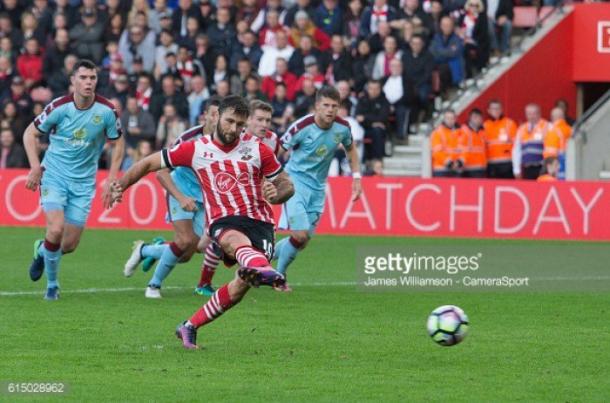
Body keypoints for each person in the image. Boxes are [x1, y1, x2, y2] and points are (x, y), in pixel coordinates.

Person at [110, 95, 294, 349]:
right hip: (223, 220)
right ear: (217, 116)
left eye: (240, 125)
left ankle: (189, 326)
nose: (234, 129)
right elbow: (149, 162)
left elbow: (286, 184)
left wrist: (279, 193)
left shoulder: (257, 148)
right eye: (230, 121)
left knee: (240, 287)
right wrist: (120, 185)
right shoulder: (196, 148)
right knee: (231, 240)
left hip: (260, 222)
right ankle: (263, 271)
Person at [23, 59, 125, 300]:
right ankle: (52, 286)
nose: (88, 82)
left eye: (92, 78)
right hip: (54, 176)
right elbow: (30, 132)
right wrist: (35, 167)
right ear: (73, 81)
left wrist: (111, 178)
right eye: (83, 78)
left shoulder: (106, 111)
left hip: (83, 183)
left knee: (67, 245)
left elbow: (118, 142)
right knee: (56, 229)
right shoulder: (59, 107)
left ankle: (41, 250)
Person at [123, 96, 222, 299]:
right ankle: (153, 286)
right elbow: (161, 172)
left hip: (204, 199)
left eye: (222, 115)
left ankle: (146, 250)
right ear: (205, 116)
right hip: (180, 189)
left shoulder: (227, 142)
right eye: (214, 114)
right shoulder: (188, 138)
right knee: (184, 240)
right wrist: (182, 197)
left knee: (186, 253)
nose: (218, 119)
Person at [274, 86, 362, 291]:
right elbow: (277, 150)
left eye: (334, 106)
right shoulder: (301, 127)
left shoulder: (342, 128)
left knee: (301, 242)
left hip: (318, 188)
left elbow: (351, 149)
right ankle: (279, 277)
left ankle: (260, 257)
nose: (330, 110)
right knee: (300, 235)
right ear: (316, 106)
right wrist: (273, 177)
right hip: (294, 183)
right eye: (326, 106)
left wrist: (356, 178)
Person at [195, 100, 281, 295]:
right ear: (248, 120)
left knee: (234, 244)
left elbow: (272, 170)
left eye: (268, 120)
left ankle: (247, 276)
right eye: (259, 119)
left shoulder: (272, 141)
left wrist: (271, 187)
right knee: (201, 245)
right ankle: (156, 251)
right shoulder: (233, 139)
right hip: (225, 203)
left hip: (254, 203)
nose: (264, 125)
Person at [512, 103, 551, 180]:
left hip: (542, 167)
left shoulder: (548, 126)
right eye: (529, 114)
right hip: (527, 168)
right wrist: (516, 169)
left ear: (539, 113)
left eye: (534, 113)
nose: (531, 116)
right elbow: (516, 150)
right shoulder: (521, 129)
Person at [483, 99, 516, 179]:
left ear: (501, 110)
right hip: (491, 164)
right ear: (489, 111)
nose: (496, 111)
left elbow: (516, 145)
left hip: (507, 163)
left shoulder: (510, 123)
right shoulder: (484, 126)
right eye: (493, 109)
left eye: (498, 108)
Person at [457, 108, 487, 177]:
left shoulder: (482, 132)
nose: (479, 120)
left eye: (480, 118)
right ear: (471, 118)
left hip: (481, 167)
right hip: (469, 169)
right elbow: (461, 149)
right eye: (476, 117)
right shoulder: (464, 131)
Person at [430, 109, 460, 177]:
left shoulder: (459, 132)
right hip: (441, 169)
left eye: (452, 118)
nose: (450, 120)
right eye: (447, 118)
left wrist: (458, 162)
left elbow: (463, 150)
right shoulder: (437, 132)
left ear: (455, 119)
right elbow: (436, 152)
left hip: (456, 168)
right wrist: (449, 163)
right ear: (444, 119)